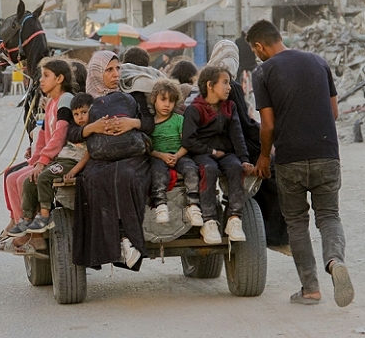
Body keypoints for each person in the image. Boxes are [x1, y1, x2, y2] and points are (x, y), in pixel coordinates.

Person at [247, 19, 354, 307]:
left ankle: (310, 289)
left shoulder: (263, 72)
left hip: (290, 158)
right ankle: (335, 262)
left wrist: (264, 156)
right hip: (327, 153)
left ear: (259, 45)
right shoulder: (319, 62)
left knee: (296, 223)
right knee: (329, 216)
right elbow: (333, 112)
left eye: (254, 50)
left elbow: (267, 125)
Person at [67, 50, 154, 270]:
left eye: (117, 68)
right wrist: (91, 128)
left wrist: (131, 124)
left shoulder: (131, 96)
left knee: (127, 176)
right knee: (94, 180)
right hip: (100, 159)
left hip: (132, 156)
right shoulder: (87, 102)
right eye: (109, 70)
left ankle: (127, 239)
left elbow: (149, 124)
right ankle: (120, 243)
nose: (116, 74)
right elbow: (72, 134)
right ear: (97, 73)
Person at [207, 39, 289, 252]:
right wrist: (266, 143)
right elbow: (244, 124)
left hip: (213, 145)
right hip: (234, 146)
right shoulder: (230, 85)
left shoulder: (205, 81)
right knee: (271, 171)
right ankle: (275, 238)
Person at [1, 92, 91, 254]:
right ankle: (26, 219)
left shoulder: (88, 130)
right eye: (76, 114)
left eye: (84, 113)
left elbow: (86, 155)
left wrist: (73, 171)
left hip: (70, 164)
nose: (80, 117)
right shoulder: (72, 126)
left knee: (42, 177)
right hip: (60, 160)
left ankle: (44, 215)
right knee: (30, 179)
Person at [1, 58, 75, 238]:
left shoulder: (65, 99)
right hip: (50, 158)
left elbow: (60, 134)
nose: (41, 80)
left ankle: (35, 237)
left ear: (59, 79)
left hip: (62, 158)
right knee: (11, 178)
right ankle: (22, 223)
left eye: (46, 75)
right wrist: (35, 161)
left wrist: (42, 162)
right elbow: (42, 137)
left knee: (22, 180)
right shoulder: (51, 103)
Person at [182, 65, 253, 245]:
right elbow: (188, 141)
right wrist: (210, 152)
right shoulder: (195, 109)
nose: (230, 87)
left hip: (225, 153)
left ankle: (234, 218)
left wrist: (244, 159)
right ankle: (209, 220)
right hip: (202, 153)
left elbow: (237, 136)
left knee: (236, 168)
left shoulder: (230, 107)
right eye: (225, 83)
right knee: (209, 169)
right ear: (210, 85)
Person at [148, 79, 201, 225]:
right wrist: (161, 156)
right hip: (159, 157)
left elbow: (187, 143)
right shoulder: (150, 123)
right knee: (157, 172)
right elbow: (149, 149)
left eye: (171, 101)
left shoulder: (179, 120)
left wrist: (177, 155)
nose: (167, 104)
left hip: (179, 154)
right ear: (154, 99)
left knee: (191, 169)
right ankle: (160, 205)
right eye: (163, 100)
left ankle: (193, 205)